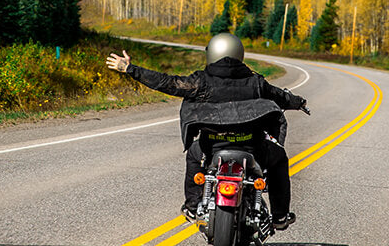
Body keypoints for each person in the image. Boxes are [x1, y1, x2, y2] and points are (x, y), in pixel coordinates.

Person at [106, 33, 309, 230]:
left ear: (211, 53)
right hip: (250, 145)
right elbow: (281, 97)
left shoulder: (200, 81)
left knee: (194, 155)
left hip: (212, 145)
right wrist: (299, 102)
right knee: (279, 158)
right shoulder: (255, 82)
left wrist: (130, 69)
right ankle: (280, 215)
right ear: (239, 54)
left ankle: (193, 206)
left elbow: (167, 83)